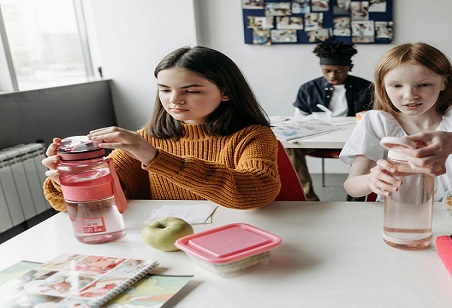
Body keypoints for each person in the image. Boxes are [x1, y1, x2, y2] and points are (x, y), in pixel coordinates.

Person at [42, 46, 281, 211]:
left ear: (226, 92)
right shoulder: (146, 139)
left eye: (192, 91)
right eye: (165, 89)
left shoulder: (252, 136)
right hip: (169, 245)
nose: (175, 100)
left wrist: (155, 157)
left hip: (237, 238)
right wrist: (69, 179)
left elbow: (257, 192)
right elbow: (96, 203)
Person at [340, 42, 452, 201]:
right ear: (383, 86)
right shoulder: (376, 121)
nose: (409, 95)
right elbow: (352, 187)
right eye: (396, 86)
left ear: (443, 83)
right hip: (398, 215)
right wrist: (371, 180)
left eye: (423, 85)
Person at [289, 38, 373, 201]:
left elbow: (374, 119)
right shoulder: (308, 88)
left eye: (340, 71)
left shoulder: (366, 87)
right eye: (327, 70)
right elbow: (298, 119)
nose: (332, 75)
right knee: (289, 148)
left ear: (350, 68)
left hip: (353, 140)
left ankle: (357, 196)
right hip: (316, 140)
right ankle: (307, 197)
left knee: (369, 147)